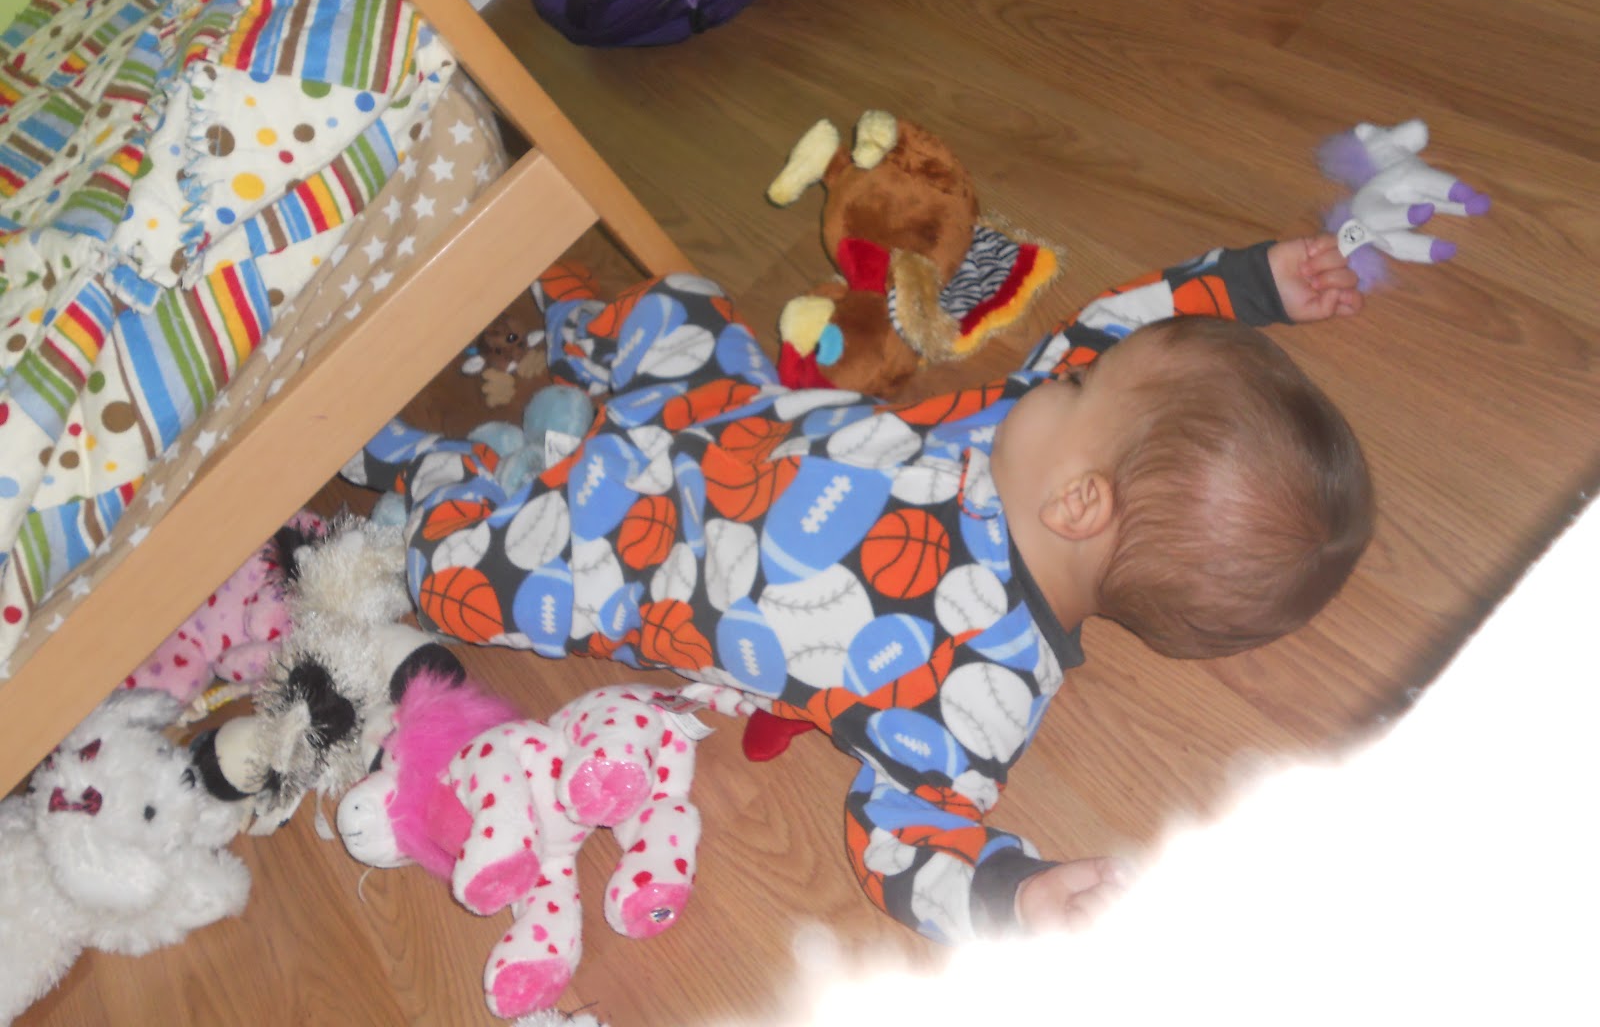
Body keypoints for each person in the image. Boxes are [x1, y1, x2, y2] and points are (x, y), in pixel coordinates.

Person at [343, 233, 1371, 944]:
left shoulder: (974, 693)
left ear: (1079, 503)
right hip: (723, 410)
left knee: (449, 579)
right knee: (680, 300)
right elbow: (1115, 332)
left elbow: (908, 843)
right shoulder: (1016, 439)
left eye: (1075, 390)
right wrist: (1253, 285)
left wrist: (1010, 894)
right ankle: (559, 310)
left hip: (616, 559)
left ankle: (443, 469)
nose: (1061, 370)